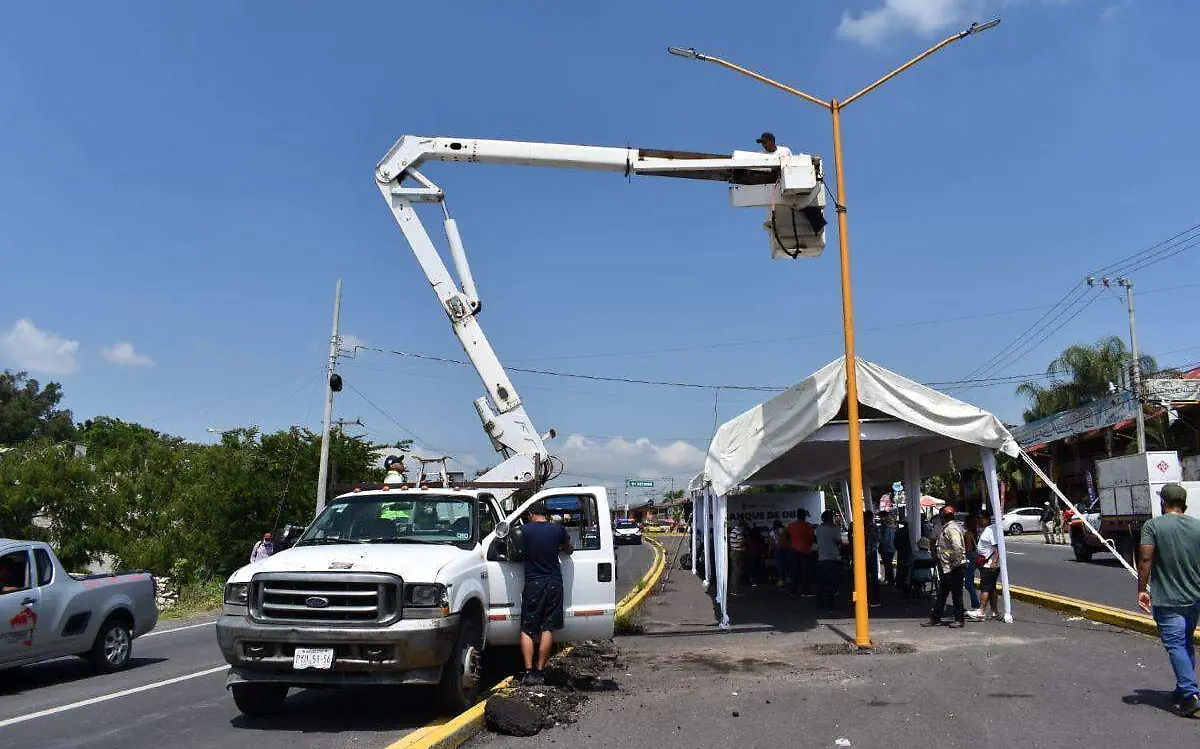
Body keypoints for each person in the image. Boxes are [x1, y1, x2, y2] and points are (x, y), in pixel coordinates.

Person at [1136, 483, 1200, 717]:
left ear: (1164, 502)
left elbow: (1145, 559)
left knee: (1175, 645)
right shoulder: (1197, 525)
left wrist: (1142, 589)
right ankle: (1182, 687)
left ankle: (1190, 694)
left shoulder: (1153, 525)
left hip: (1167, 598)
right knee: (1185, 642)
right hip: (1194, 597)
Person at [519, 502, 574, 686]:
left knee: (527, 628)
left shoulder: (524, 531)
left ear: (531, 514)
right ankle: (540, 672)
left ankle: (528, 672)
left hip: (533, 583)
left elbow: (513, 550)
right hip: (553, 582)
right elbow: (569, 549)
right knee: (547, 628)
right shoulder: (558, 530)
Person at [924, 505, 967, 628]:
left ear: (943, 517)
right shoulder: (948, 527)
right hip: (948, 567)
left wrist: (954, 563)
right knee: (942, 594)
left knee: (956, 595)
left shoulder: (951, 529)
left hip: (954, 567)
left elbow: (958, 548)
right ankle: (935, 618)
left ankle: (959, 620)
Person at [968, 510, 1002, 622]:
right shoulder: (986, 530)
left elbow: (997, 546)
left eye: (980, 519)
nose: (978, 521)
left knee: (985, 588)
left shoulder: (991, 529)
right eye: (978, 519)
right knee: (991, 588)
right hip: (986, 564)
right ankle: (994, 611)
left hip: (989, 565)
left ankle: (981, 611)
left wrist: (994, 561)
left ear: (987, 519)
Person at [814, 510, 843, 610]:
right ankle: (831, 605)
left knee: (821, 583)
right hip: (832, 558)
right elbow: (839, 542)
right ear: (831, 518)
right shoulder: (834, 530)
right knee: (832, 583)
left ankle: (819, 603)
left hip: (821, 558)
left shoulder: (818, 529)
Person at [787, 510, 816, 596]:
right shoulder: (807, 526)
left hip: (794, 549)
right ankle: (805, 590)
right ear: (804, 516)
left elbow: (788, 536)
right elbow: (811, 538)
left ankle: (793, 590)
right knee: (805, 571)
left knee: (795, 570)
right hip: (804, 550)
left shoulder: (791, 525)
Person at [963, 514, 981, 612]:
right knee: (969, 583)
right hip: (973, 557)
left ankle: (976, 606)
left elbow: (969, 548)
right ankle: (976, 605)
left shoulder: (968, 534)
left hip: (969, 558)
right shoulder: (974, 532)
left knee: (968, 584)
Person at [879, 511, 897, 587]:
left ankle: (890, 581)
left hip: (886, 548)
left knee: (888, 565)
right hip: (892, 548)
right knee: (888, 565)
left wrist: (879, 539)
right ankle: (889, 580)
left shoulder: (886, 529)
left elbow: (885, 540)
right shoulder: (893, 528)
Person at [894, 520, 913, 591]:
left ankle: (899, 583)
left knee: (900, 568)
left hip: (902, 551)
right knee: (907, 569)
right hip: (908, 551)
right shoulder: (912, 532)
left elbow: (895, 542)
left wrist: (899, 549)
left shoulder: (899, 531)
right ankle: (906, 584)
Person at [728, 522, 746, 596]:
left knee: (734, 572)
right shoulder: (738, 532)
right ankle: (735, 590)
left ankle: (733, 589)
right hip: (737, 552)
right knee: (737, 572)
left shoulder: (733, 531)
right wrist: (744, 539)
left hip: (733, 551)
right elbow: (741, 542)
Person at [772, 520, 791, 588]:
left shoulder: (774, 531)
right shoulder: (784, 530)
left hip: (778, 548)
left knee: (779, 564)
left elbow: (773, 541)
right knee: (786, 563)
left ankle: (781, 580)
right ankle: (787, 578)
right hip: (786, 548)